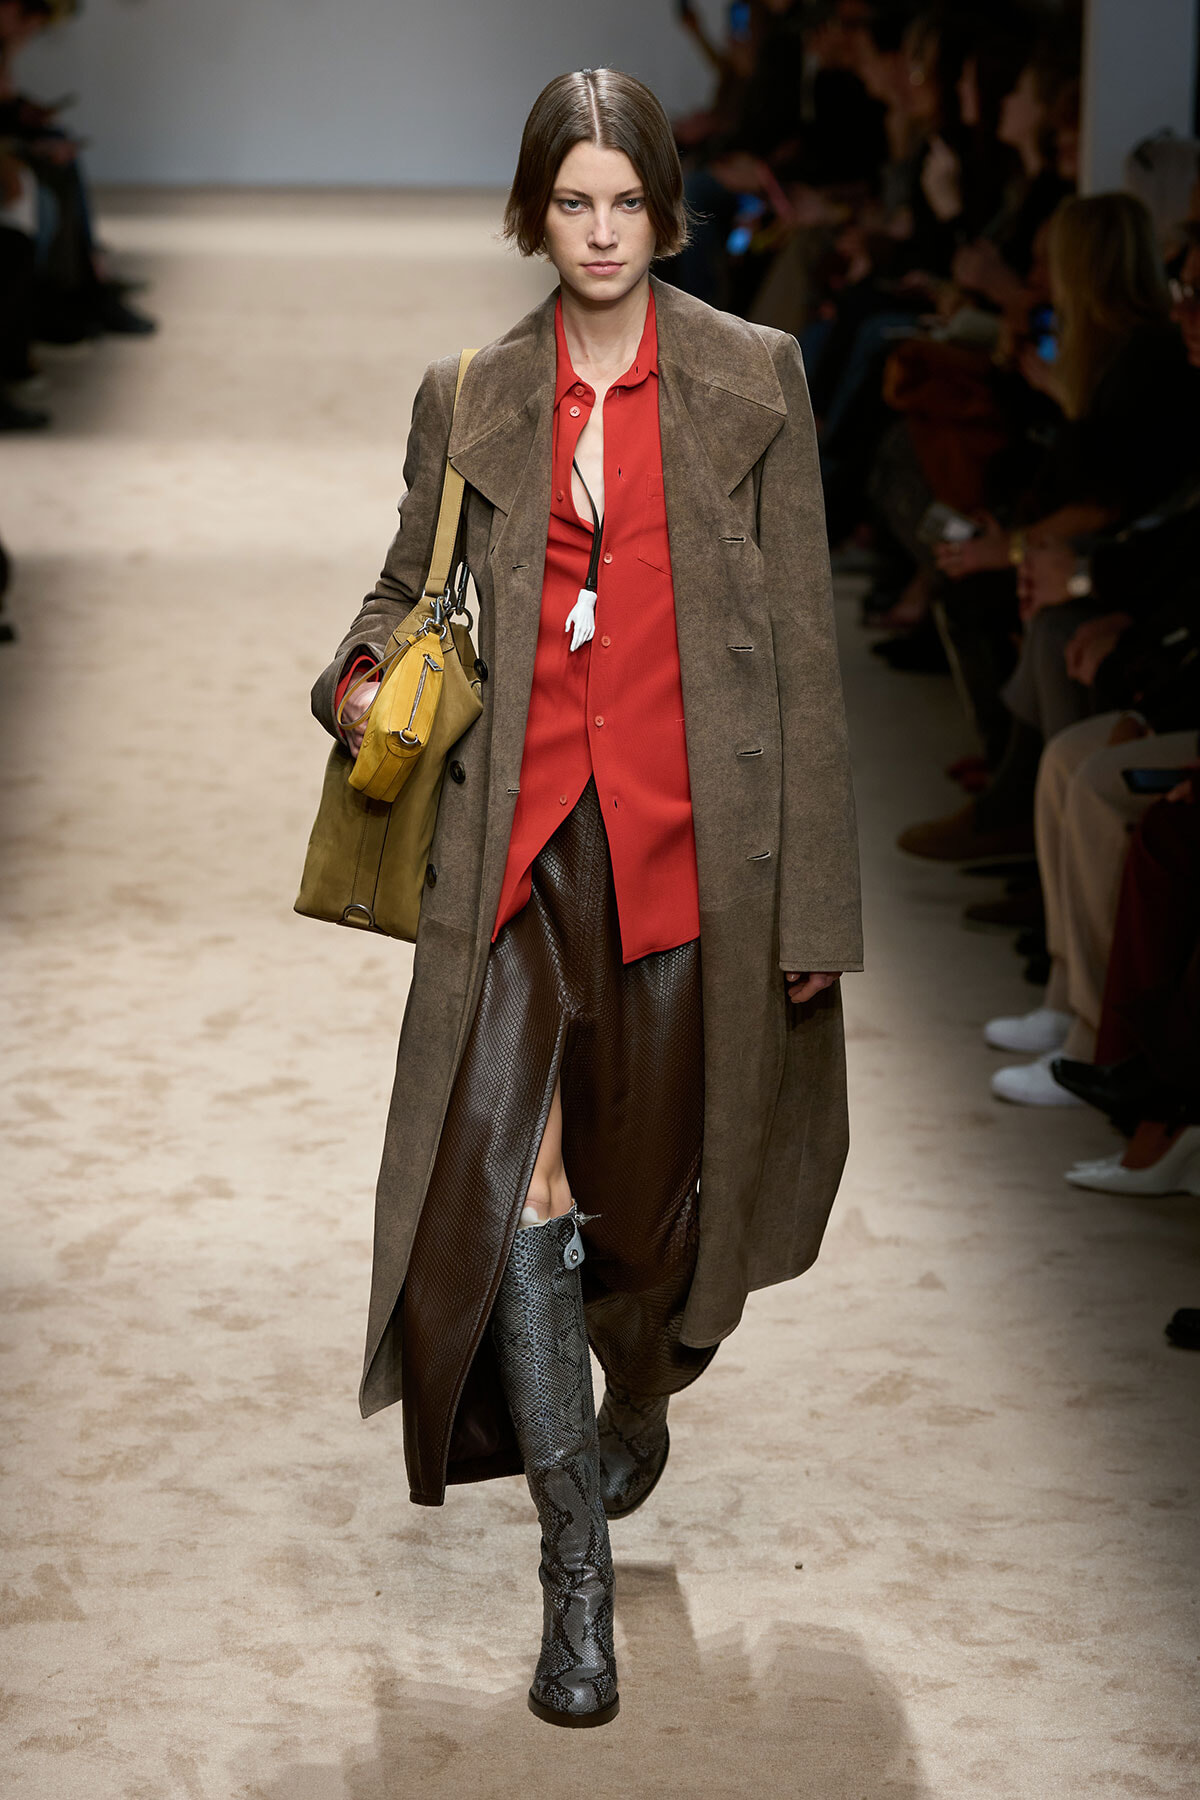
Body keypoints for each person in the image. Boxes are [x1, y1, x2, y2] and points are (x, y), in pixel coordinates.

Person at [310, 68, 862, 1728]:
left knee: (650, 1212)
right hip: (517, 852)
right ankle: (575, 1586)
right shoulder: (471, 391)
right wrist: (354, 680)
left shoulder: (751, 380)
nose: (603, 232)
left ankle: (642, 1392)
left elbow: (812, 666)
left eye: (627, 202)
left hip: (695, 850)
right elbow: (408, 582)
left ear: (664, 209)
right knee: (523, 1186)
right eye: (573, 203)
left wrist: (818, 919)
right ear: (533, 213)